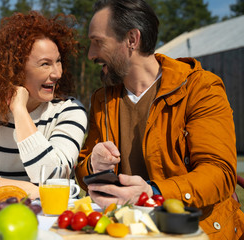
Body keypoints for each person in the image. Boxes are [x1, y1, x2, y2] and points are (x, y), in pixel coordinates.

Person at [74, 0, 244, 239]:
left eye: (98, 42)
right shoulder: (102, 99)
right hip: (126, 230)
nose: (91, 54)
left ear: (132, 39)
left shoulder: (200, 88)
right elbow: (84, 172)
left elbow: (219, 173)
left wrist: (152, 192)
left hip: (196, 231)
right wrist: (94, 164)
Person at [0, 11, 88, 200]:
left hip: (57, 222)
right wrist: (32, 190)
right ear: (16, 68)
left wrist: (20, 111)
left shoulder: (70, 110)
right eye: (45, 64)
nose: (57, 73)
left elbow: (52, 175)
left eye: (58, 61)